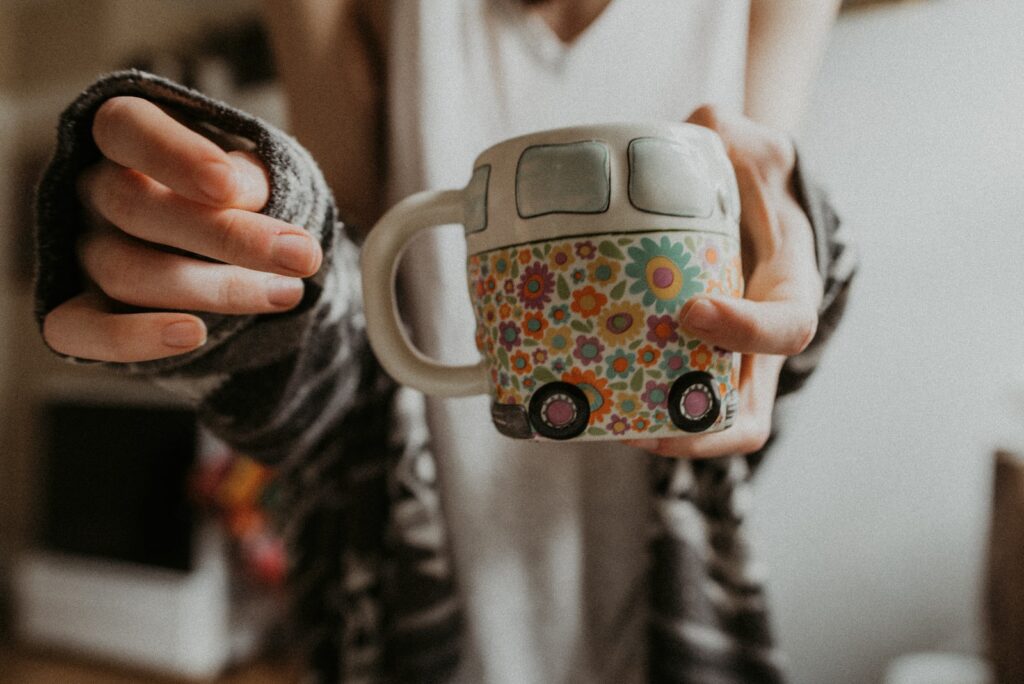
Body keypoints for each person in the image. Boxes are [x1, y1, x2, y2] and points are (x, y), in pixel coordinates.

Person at [35, 1, 855, 682]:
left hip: (680, 623)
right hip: (400, 626)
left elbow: (751, 279)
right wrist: (235, 263)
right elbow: (341, 317)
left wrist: (801, 239)